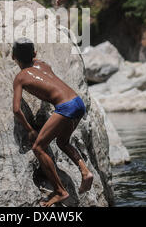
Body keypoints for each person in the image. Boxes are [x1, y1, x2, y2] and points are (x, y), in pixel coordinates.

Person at [12, 38, 93, 207]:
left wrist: (29, 130)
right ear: (34, 54)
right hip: (77, 102)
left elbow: (17, 110)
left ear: (13, 56)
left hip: (65, 108)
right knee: (62, 142)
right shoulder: (43, 65)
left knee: (38, 147)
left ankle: (60, 191)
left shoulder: (20, 78)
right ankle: (85, 172)